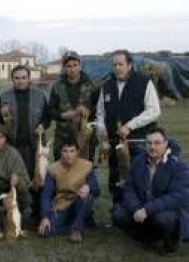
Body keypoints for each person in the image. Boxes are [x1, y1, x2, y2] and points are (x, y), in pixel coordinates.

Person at [96, 49, 161, 203]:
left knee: (139, 179)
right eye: (114, 65)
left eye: (121, 64)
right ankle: (118, 214)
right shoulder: (107, 85)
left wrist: (130, 126)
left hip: (137, 142)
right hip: (114, 143)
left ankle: (141, 213)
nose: (117, 68)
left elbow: (154, 110)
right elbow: (100, 112)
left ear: (130, 65)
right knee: (116, 179)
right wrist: (101, 128)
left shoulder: (144, 82)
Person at [112, 127, 189, 254]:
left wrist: (148, 209)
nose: (152, 147)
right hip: (142, 207)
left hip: (165, 211)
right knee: (118, 214)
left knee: (163, 219)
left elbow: (179, 196)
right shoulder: (138, 161)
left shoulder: (179, 165)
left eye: (157, 143)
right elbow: (129, 188)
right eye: (149, 143)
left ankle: (170, 242)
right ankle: (145, 237)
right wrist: (136, 208)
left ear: (166, 144)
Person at [0, 64, 50, 179]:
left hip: (35, 145)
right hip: (13, 145)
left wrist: (43, 125)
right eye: (17, 78)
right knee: (15, 176)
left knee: (37, 176)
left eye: (23, 78)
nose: (20, 81)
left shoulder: (40, 95)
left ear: (29, 78)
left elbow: (47, 116)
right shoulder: (4, 96)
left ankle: (36, 196)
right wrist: (0, 114)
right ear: (12, 79)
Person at [38, 136, 99, 243]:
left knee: (87, 197)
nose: (68, 155)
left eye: (72, 151)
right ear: (60, 152)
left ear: (77, 152)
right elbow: (46, 195)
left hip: (79, 201)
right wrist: (45, 217)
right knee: (45, 231)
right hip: (61, 204)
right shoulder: (52, 169)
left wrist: (88, 186)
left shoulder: (87, 166)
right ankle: (75, 224)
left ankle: (76, 229)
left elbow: (96, 189)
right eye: (65, 151)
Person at [49, 51, 99, 161]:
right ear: (64, 68)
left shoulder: (91, 84)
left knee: (84, 171)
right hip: (63, 137)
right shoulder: (57, 85)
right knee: (62, 173)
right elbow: (51, 111)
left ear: (80, 66)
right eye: (69, 66)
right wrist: (63, 115)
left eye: (75, 65)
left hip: (85, 137)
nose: (72, 69)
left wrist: (88, 111)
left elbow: (99, 109)